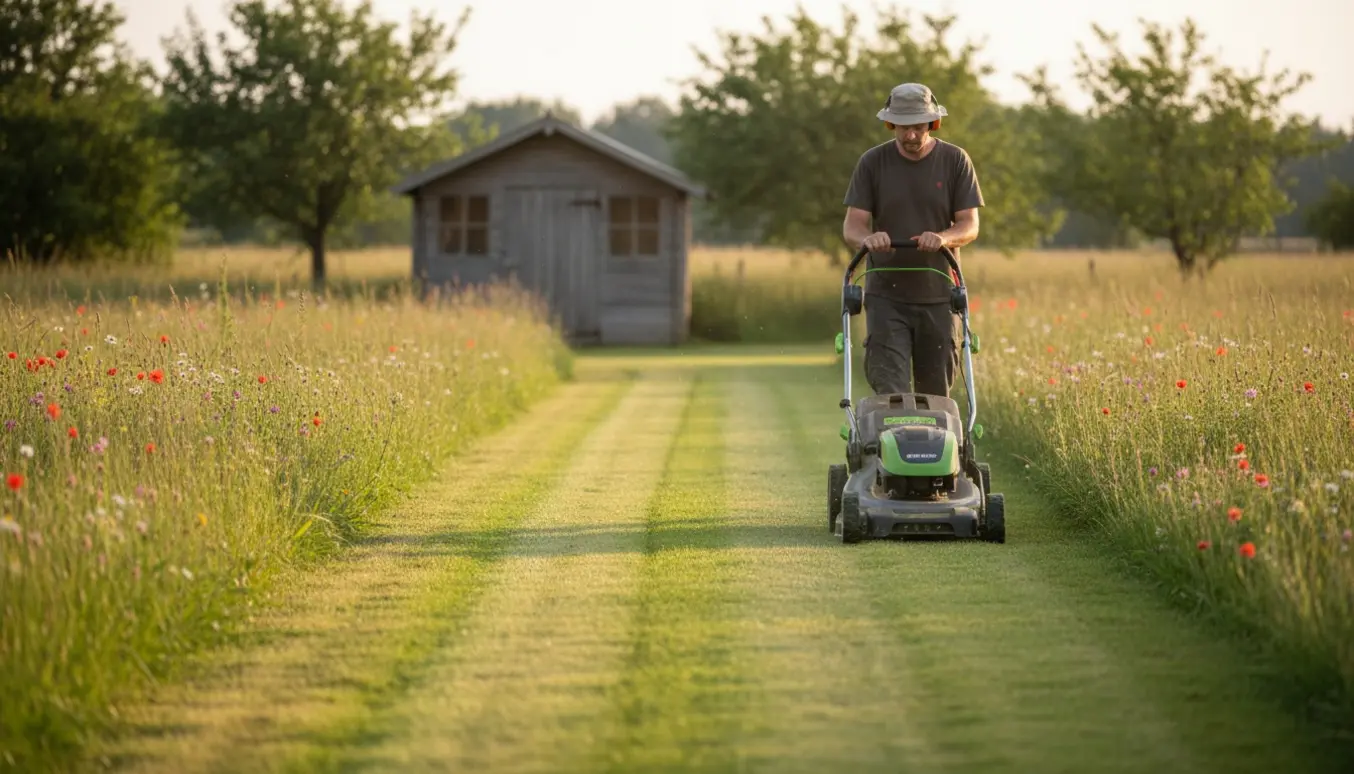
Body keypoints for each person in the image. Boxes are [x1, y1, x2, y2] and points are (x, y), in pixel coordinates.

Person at [841, 82, 984, 399]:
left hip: (938, 295)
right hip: (885, 297)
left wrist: (944, 238)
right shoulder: (872, 163)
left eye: (918, 127)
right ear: (891, 123)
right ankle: (887, 448)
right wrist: (870, 239)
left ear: (933, 123)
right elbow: (853, 227)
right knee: (891, 393)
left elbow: (969, 225)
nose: (910, 136)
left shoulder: (955, 161)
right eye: (903, 128)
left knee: (935, 395)